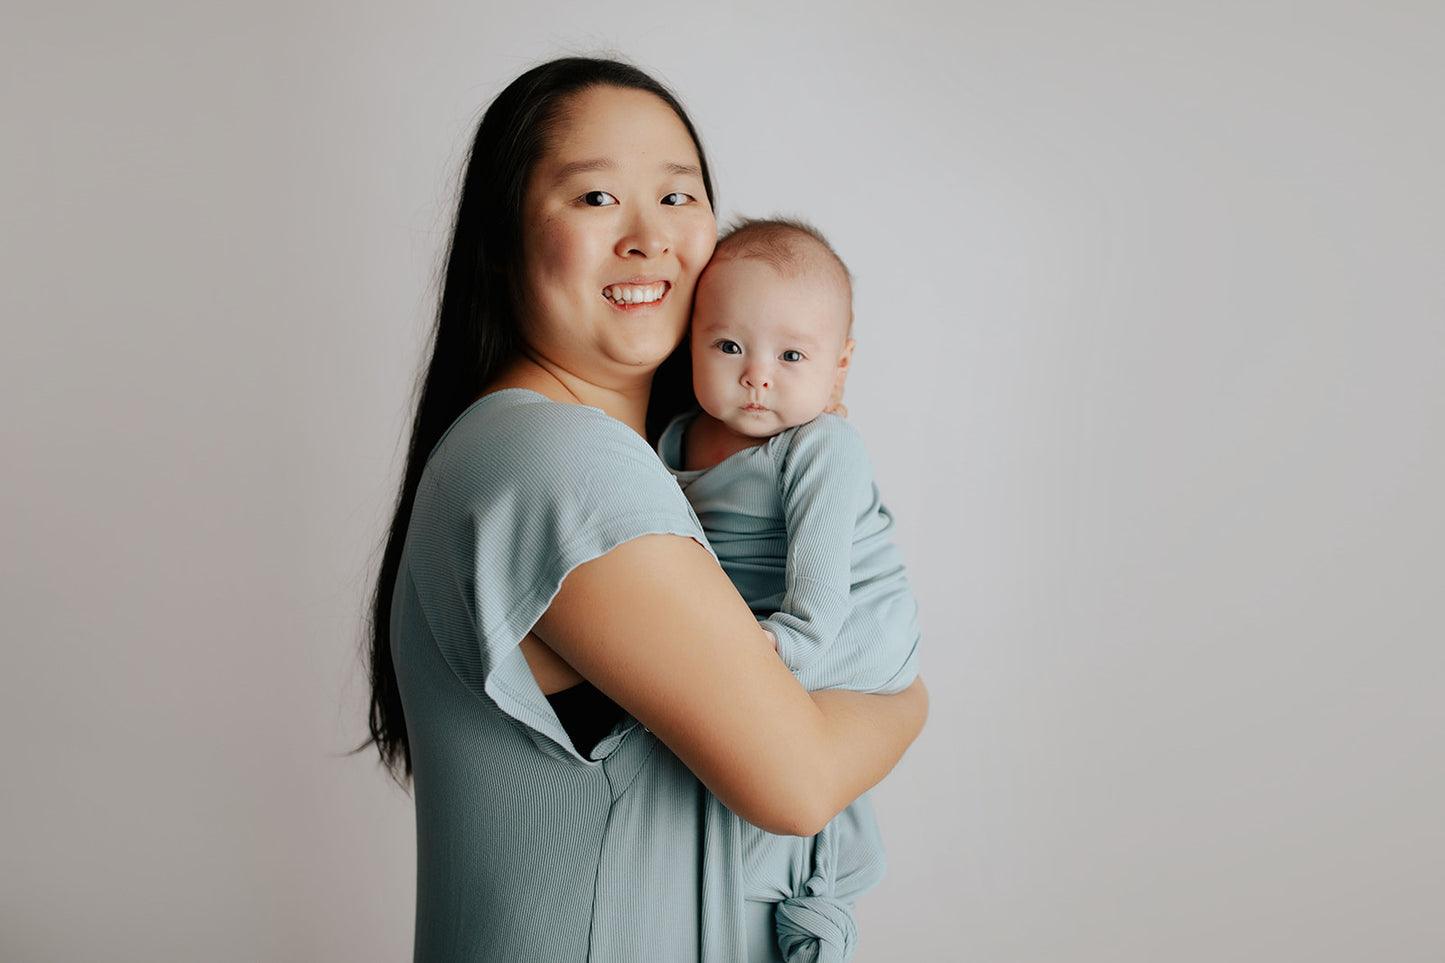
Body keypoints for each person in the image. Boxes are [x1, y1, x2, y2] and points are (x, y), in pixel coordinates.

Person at [363, 57, 928, 963]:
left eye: (676, 197)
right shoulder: (559, 461)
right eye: (595, 198)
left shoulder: (619, 459)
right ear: (501, 239)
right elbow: (799, 779)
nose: (648, 237)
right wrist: (908, 692)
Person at [657, 218, 922, 960]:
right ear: (691, 341)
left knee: (762, 735)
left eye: (791, 355)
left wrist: (781, 650)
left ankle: (817, 887)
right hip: (768, 620)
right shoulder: (674, 439)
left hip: (856, 624)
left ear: (839, 366)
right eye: (728, 346)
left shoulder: (821, 444)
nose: (757, 375)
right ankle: (787, 879)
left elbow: (819, 587)